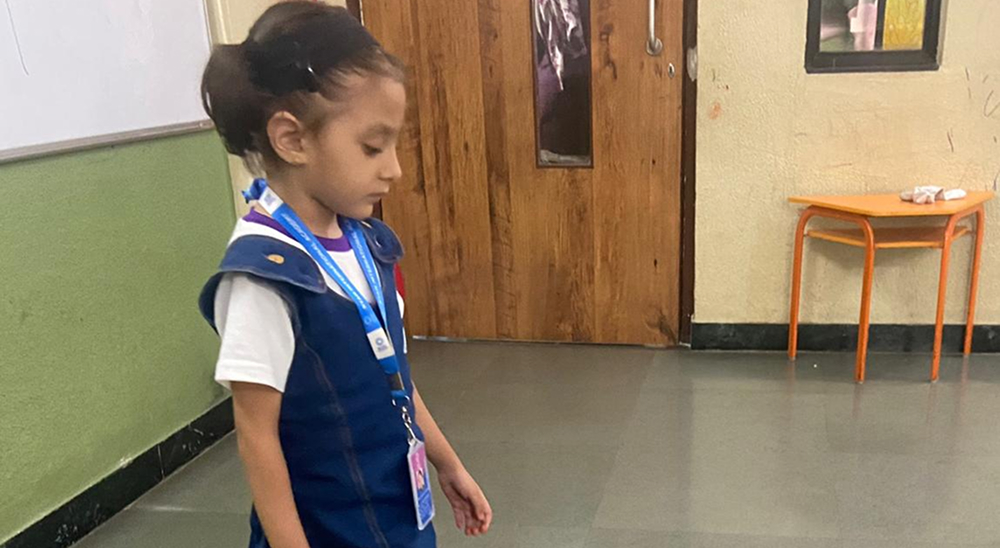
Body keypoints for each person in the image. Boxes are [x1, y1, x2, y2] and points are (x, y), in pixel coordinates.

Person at [197, 3, 491, 547]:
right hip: (326, 531)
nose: (394, 168)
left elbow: (395, 377)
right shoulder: (264, 277)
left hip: (397, 513)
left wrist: (448, 464)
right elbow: (256, 437)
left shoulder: (367, 243)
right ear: (292, 139)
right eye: (372, 147)